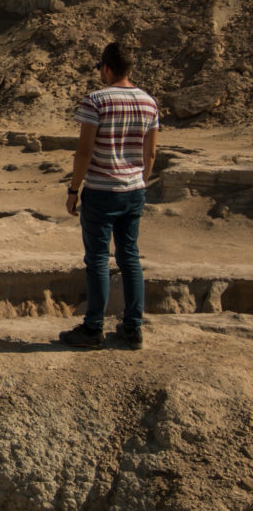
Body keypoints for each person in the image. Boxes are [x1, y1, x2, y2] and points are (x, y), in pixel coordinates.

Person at [59, 42, 159, 350]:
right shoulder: (149, 102)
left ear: (106, 68)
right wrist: (139, 181)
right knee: (129, 257)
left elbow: (84, 151)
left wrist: (74, 190)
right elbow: (151, 152)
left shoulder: (96, 100)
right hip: (134, 191)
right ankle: (132, 329)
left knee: (99, 259)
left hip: (102, 191)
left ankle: (93, 329)